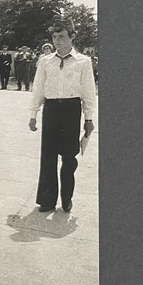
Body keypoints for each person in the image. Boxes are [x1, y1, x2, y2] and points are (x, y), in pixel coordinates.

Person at [29, 17, 96, 213]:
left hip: (71, 109)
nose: (57, 41)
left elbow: (89, 92)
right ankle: (47, 200)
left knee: (69, 157)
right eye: (54, 36)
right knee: (48, 155)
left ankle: (67, 197)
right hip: (51, 109)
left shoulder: (83, 62)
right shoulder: (45, 61)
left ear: (72, 36)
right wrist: (33, 114)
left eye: (62, 36)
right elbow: (38, 89)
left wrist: (89, 118)